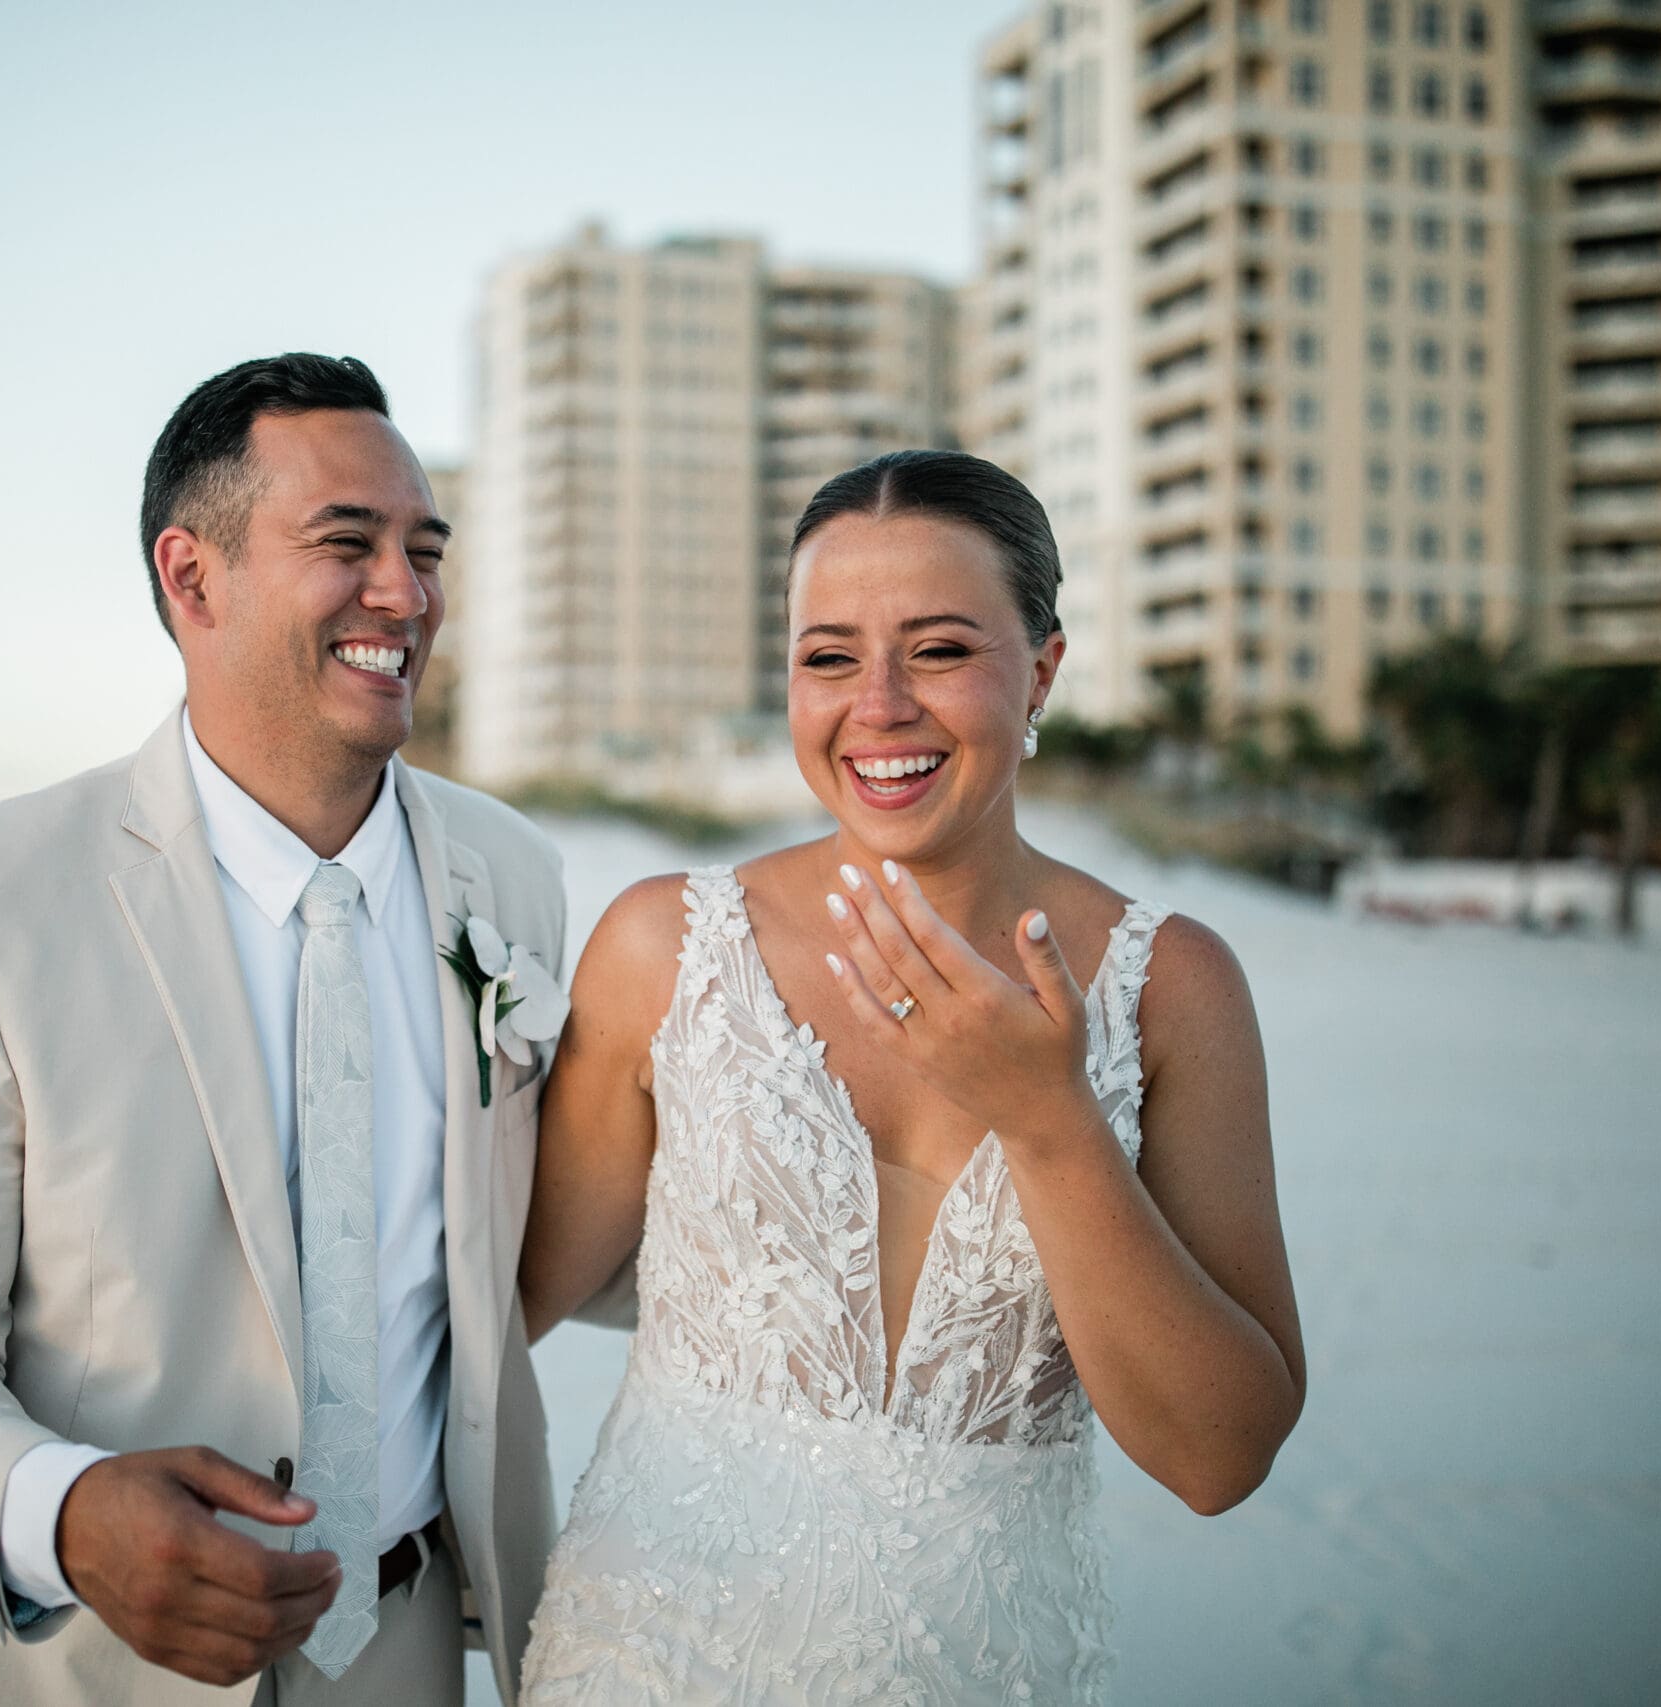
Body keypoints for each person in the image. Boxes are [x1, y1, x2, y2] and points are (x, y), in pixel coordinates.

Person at [0, 353, 569, 1705]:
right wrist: (66, 1512)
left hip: (406, 1649)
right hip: (69, 1669)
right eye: (349, 544)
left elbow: (569, 1234)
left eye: (425, 550)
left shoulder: (512, 877)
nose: (405, 594)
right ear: (193, 574)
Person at [513, 450, 1306, 1704]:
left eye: (937, 650)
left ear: (1040, 669)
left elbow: (1220, 1457)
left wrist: (1048, 1121)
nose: (875, 705)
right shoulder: (666, 949)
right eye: (828, 657)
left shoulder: (1171, 987)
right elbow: (497, 1302)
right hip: (645, 1663)